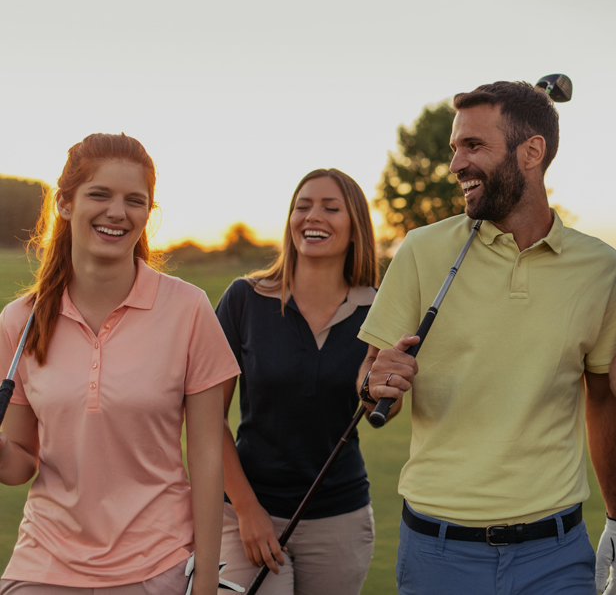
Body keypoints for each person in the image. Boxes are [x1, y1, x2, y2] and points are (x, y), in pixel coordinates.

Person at [357, 81, 616, 594]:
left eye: (473, 146)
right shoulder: (420, 250)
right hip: (437, 553)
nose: (455, 165)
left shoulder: (600, 268)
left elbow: (603, 398)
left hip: (557, 554)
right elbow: (369, 376)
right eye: (455, 149)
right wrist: (374, 383)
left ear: (532, 152)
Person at [0, 133, 240, 595]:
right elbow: (18, 465)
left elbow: (208, 456)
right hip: (42, 564)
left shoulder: (189, 309)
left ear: (148, 214)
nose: (117, 211)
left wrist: (207, 579)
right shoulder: (19, 322)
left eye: (135, 200)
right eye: (99, 194)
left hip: (158, 565)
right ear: (65, 204)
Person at [214, 168, 378, 595]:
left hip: (340, 518)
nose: (312, 216)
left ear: (355, 225)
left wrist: (379, 390)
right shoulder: (243, 300)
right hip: (248, 514)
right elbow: (207, 419)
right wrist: (248, 511)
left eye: (330, 207)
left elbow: (384, 405)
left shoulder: (378, 309)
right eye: (302, 207)